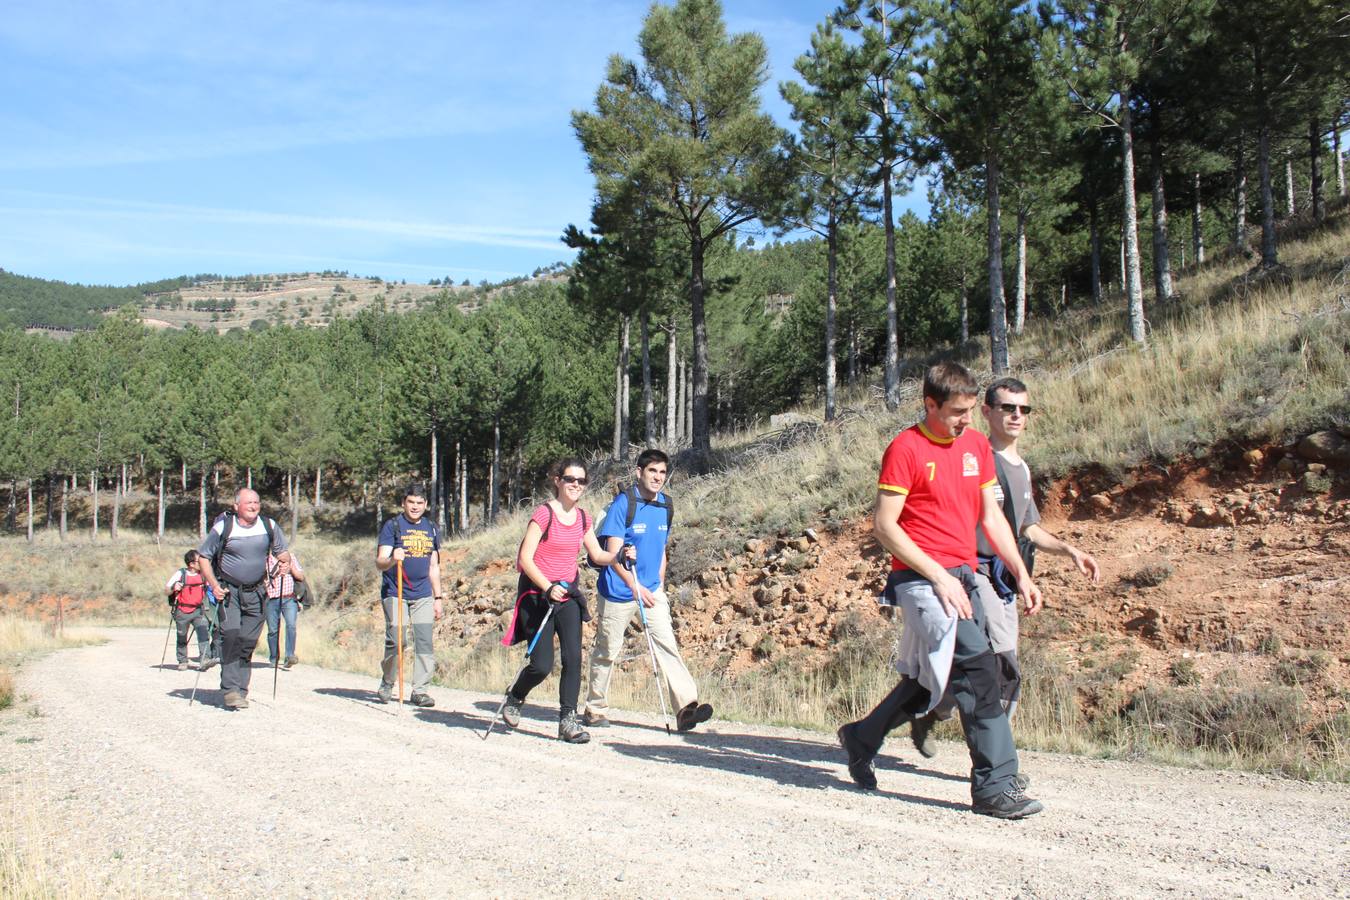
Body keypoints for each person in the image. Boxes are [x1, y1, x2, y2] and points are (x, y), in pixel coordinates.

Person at [836, 361, 1045, 819]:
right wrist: (939, 576)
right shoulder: (906, 449)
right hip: (920, 577)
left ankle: (862, 737)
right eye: (956, 412)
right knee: (977, 670)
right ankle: (995, 785)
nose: (967, 421)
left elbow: (991, 518)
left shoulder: (974, 446)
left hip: (965, 574)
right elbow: (885, 527)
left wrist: (1022, 574)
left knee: (930, 678)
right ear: (930, 404)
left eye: (971, 411)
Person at [499, 458, 630, 744]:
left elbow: (596, 555)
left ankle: (567, 721)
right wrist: (546, 587)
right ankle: (516, 696)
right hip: (538, 595)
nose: (576, 485)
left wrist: (618, 556)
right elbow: (525, 558)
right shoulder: (544, 514)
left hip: (568, 595)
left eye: (581, 481)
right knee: (542, 665)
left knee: (573, 659)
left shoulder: (583, 518)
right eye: (570, 479)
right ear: (558, 480)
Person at [583, 448, 712, 732]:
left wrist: (658, 584)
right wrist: (634, 586)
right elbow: (613, 555)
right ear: (639, 472)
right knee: (607, 651)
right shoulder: (623, 504)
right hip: (618, 590)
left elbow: (661, 550)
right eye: (652, 471)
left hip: (651, 590)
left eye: (662, 472)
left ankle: (686, 709)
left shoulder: (666, 505)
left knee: (667, 644)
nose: (658, 477)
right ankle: (594, 708)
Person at [198, 488, 289, 710]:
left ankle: (241, 689)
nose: (253, 506)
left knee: (247, 640)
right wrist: (214, 585)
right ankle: (230, 689)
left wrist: (284, 563)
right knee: (231, 635)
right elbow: (203, 557)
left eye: (256, 502)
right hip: (229, 591)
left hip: (257, 592)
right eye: (248, 502)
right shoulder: (224, 527)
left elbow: (282, 552)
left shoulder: (269, 526)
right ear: (236, 505)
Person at [375, 484, 443, 708]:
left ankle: (420, 690)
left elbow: (434, 565)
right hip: (396, 592)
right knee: (397, 640)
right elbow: (380, 563)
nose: (415, 507)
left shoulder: (431, 527)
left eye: (420, 503)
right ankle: (388, 681)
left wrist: (438, 597)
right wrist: (393, 558)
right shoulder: (392, 526)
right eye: (411, 502)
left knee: (424, 641)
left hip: (423, 594)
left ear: (426, 505)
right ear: (404, 503)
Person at [165, 550, 216, 671]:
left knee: (203, 634)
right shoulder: (180, 574)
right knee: (182, 635)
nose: (203, 563)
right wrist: (174, 587)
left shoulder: (204, 574)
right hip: (182, 610)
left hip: (198, 610)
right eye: (200, 561)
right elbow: (167, 590)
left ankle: (205, 659)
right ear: (191, 563)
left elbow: (213, 586)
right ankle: (182, 661)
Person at [264, 551, 306, 669]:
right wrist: (276, 571)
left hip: (289, 597)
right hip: (271, 598)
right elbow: (261, 579)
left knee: (291, 625)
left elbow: (300, 576)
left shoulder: (290, 556)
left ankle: (289, 656)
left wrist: (290, 568)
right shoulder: (264, 558)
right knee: (273, 630)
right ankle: (274, 658)